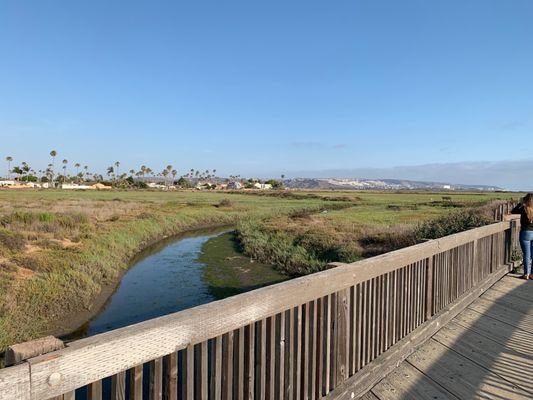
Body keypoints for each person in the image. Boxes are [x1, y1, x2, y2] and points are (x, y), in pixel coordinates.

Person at [511, 194, 533, 279]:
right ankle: (532, 274)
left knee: (527, 254)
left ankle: (526, 274)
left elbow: (513, 211)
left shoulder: (524, 209)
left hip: (526, 233)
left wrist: (520, 203)